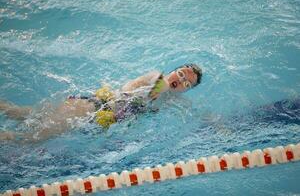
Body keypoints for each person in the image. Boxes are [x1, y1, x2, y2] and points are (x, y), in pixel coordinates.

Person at [0, 64, 202, 143]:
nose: (181, 79)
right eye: (181, 73)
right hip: (86, 109)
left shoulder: (173, 101)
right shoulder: (155, 77)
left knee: (19, 113)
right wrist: (165, 84)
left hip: (90, 121)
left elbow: (195, 115)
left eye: (187, 82)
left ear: (186, 89)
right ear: (172, 71)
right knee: (28, 141)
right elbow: (155, 86)